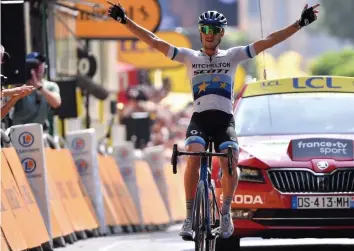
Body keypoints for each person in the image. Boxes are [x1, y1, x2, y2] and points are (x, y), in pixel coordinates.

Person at [107, 1, 319, 239]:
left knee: (231, 160)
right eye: (205, 30)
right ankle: (189, 218)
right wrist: (125, 21)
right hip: (199, 120)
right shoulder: (188, 57)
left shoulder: (232, 55)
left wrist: (299, 24)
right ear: (200, 32)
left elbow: (268, 40)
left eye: (214, 30)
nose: (209, 35)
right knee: (194, 155)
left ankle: (226, 213)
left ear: (221, 33)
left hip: (224, 121)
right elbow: (154, 41)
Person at [10, 52, 61, 126]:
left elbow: (56, 103)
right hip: (19, 131)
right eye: (34, 65)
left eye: (40, 64)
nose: (37, 68)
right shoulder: (20, 86)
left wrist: (39, 87)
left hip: (38, 131)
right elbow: (7, 103)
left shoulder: (50, 86)